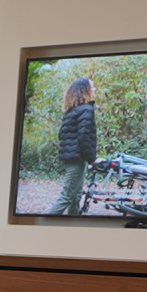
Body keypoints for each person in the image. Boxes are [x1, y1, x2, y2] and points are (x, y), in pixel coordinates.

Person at [46, 78, 98, 214]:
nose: (94, 89)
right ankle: (45, 223)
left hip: (71, 157)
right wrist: (92, 159)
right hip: (77, 158)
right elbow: (84, 137)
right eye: (92, 87)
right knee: (66, 197)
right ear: (85, 90)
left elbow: (61, 135)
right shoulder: (86, 110)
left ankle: (74, 221)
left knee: (75, 196)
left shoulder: (71, 111)